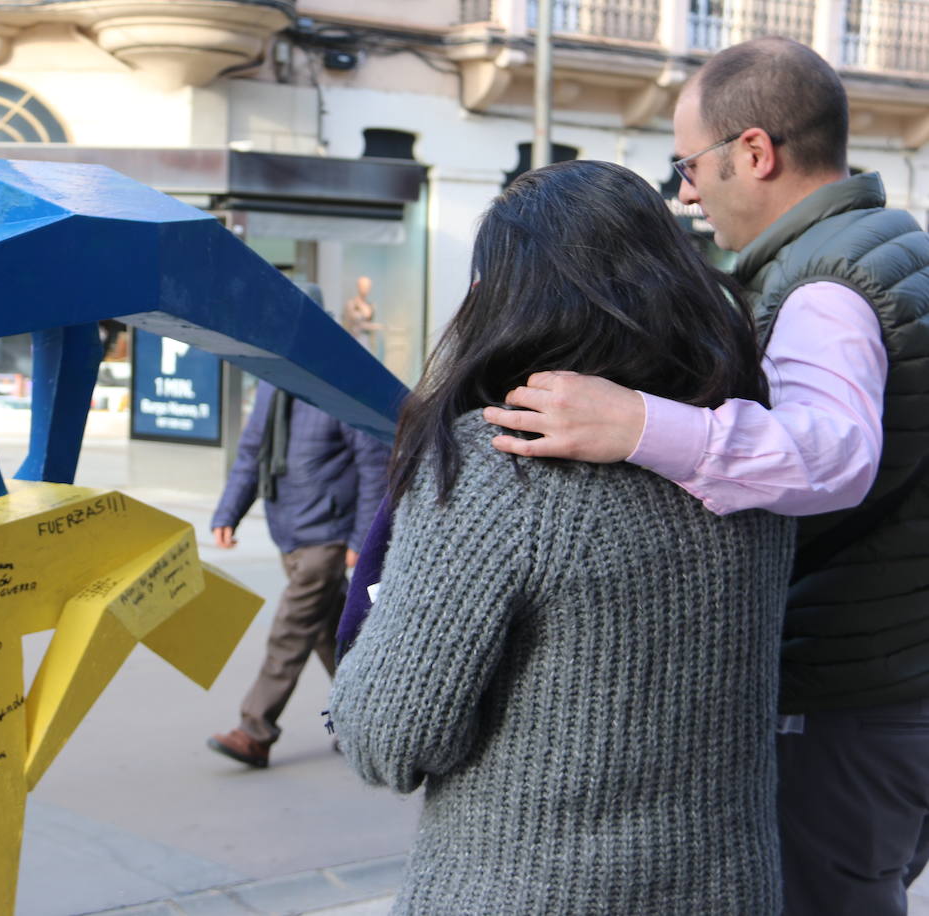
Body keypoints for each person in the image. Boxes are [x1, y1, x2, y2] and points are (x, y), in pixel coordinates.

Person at [482, 38, 929, 916]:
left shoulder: (826, 285)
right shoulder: (892, 244)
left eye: (689, 164)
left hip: (852, 697)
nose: (685, 191)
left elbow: (834, 452)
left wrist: (637, 423)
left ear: (754, 153)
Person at [330, 160, 795, 914]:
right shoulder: (748, 456)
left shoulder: (501, 468)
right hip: (728, 890)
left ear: (510, 301)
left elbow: (393, 740)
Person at [206, 360, 389, 769]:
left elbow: (373, 465)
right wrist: (227, 512)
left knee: (290, 630)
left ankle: (254, 731)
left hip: (328, 535)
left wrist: (362, 539)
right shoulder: (273, 386)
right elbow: (252, 451)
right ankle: (364, 721)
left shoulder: (339, 385)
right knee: (331, 634)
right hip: (288, 529)